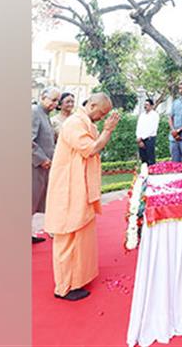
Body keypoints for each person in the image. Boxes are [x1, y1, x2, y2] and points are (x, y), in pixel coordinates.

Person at [43, 92, 121, 301]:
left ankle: (76, 279)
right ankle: (64, 287)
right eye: (101, 113)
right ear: (93, 105)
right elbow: (91, 149)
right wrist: (108, 130)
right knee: (68, 236)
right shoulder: (74, 123)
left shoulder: (85, 122)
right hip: (68, 188)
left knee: (80, 235)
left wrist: (104, 129)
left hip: (79, 186)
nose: (102, 118)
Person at [32, 87, 60, 244]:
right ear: (43, 97)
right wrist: (41, 158)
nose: (55, 104)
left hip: (43, 167)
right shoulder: (35, 112)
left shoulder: (45, 115)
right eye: (53, 100)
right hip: (34, 166)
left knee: (34, 201)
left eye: (57, 101)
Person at [136, 98, 159, 165]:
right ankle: (144, 173)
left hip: (149, 139)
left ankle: (152, 172)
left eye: (147, 105)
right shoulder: (142, 115)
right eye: (145, 104)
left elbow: (152, 129)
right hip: (141, 140)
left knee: (150, 158)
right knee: (143, 159)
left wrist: (142, 138)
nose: (145, 106)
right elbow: (139, 127)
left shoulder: (155, 115)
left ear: (152, 106)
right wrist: (139, 138)